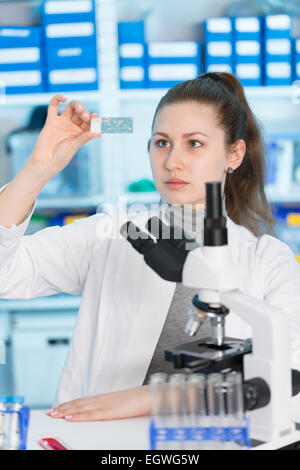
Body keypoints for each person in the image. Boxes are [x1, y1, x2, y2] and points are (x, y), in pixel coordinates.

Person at [0, 73, 299, 423]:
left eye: (195, 144)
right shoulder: (112, 233)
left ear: (234, 153)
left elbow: (290, 370)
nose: (173, 162)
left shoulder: (268, 261)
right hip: (100, 444)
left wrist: (157, 395)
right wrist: (38, 168)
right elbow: (7, 274)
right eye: (162, 143)